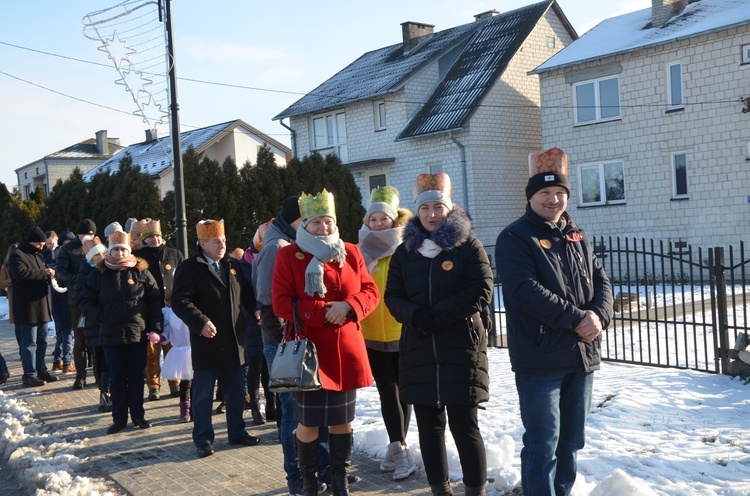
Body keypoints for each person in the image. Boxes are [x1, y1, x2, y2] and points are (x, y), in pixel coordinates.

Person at [495, 148, 614, 496]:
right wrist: (578, 319)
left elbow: (602, 281)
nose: (554, 199)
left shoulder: (576, 233)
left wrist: (599, 315)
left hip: (581, 356)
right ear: (532, 196)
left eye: (560, 193)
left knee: (571, 442)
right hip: (540, 359)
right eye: (545, 193)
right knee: (542, 444)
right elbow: (523, 291)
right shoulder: (515, 237)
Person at [384, 173, 493, 496]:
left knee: (465, 427)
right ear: (417, 211)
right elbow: (393, 295)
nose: (432, 214)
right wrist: (417, 316)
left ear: (449, 209)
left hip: (461, 350)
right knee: (429, 429)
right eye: (426, 208)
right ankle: (440, 490)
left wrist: (440, 315)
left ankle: (475, 491)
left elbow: (482, 288)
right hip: (419, 350)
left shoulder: (467, 246)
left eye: (438, 207)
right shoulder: (405, 252)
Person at [273, 189, 380, 496]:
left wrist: (349, 307)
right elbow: (281, 303)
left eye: (328, 222)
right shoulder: (287, 255)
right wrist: (322, 312)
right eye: (316, 222)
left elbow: (370, 292)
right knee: (308, 424)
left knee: (342, 421)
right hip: (310, 355)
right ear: (304, 225)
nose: (323, 228)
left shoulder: (350, 251)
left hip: (346, 351)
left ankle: (339, 479)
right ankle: (308, 480)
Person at [254, 196, 329, 496]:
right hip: (285, 343)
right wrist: (282, 340)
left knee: (315, 409)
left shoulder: (297, 244)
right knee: (294, 412)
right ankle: (296, 474)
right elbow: (266, 299)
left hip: (302, 339)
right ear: (294, 221)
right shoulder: (277, 247)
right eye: (307, 219)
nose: (314, 224)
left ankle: (323, 467)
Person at [171, 219, 260, 458]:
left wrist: (256, 310)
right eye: (215, 241)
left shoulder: (233, 264)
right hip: (207, 341)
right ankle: (203, 439)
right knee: (202, 395)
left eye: (223, 240)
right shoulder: (190, 267)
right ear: (202, 243)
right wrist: (200, 322)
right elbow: (179, 301)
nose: (222, 245)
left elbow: (246, 294)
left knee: (236, 392)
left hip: (234, 339)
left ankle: (237, 432)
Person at [357, 186, 417, 480]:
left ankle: (399, 447)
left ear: (394, 220)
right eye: (373, 219)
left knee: (402, 392)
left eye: (384, 219)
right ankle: (399, 447)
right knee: (387, 393)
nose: (378, 224)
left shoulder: (406, 247)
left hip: (401, 330)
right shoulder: (360, 250)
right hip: (370, 332)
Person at [80, 229, 162, 434]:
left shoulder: (141, 271)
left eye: (122, 250)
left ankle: (138, 416)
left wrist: (154, 328)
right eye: (115, 250)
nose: (118, 254)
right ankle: (119, 419)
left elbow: (154, 300)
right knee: (116, 378)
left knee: (136, 376)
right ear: (110, 251)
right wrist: (100, 316)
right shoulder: (99, 273)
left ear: (128, 251)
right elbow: (84, 300)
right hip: (110, 334)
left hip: (137, 333)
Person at [133, 218, 185, 401]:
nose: (154, 240)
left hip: (173, 308)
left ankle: (175, 383)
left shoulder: (173, 253)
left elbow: (181, 276)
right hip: (150, 310)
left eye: (157, 236)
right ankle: (153, 386)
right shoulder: (139, 256)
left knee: (172, 348)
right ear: (145, 239)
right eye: (151, 237)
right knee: (151, 351)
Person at [8, 227, 60, 387]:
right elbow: (21, 274)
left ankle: (41, 370)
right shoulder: (17, 255)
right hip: (27, 307)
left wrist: (51, 273)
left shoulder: (38, 256)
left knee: (42, 341)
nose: (41, 248)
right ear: (30, 242)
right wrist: (45, 273)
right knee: (29, 343)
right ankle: (29, 375)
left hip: (43, 306)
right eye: (39, 244)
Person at [56, 218, 97, 389]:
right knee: (80, 338)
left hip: (96, 298)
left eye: (90, 234)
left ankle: (99, 373)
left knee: (97, 338)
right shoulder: (68, 249)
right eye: (83, 234)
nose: (87, 237)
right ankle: (80, 376)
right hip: (77, 299)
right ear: (78, 234)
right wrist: (76, 280)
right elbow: (60, 272)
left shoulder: (97, 247)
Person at [237, 245, 271, 426]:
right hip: (251, 321)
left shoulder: (270, 261)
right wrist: (254, 312)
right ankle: (256, 407)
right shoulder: (242, 267)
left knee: (268, 367)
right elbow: (242, 295)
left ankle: (271, 406)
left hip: (270, 320)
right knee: (255, 366)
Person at [75, 235, 110, 412]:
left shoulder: (110, 269)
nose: (102, 257)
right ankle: (103, 393)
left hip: (110, 324)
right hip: (95, 323)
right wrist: (98, 313)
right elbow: (80, 299)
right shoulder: (85, 274)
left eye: (104, 253)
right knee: (100, 360)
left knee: (111, 360)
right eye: (97, 255)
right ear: (91, 259)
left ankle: (111, 392)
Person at [48, 230, 75, 373]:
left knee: (62, 332)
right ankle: (67, 362)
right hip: (63, 298)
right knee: (67, 331)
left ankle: (57, 361)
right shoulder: (63, 261)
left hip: (56, 299)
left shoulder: (53, 257)